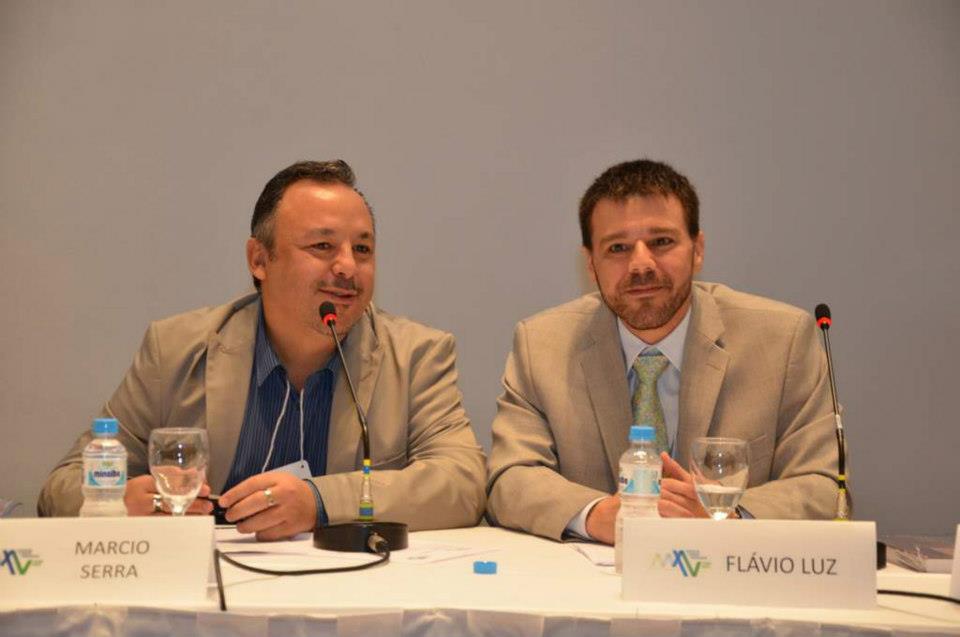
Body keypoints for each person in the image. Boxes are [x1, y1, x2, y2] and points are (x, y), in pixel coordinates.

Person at [39, 160, 486, 539]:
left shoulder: (416, 355)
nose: (348, 266)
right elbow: (61, 486)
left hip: (349, 590)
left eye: (363, 249)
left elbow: (463, 484)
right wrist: (118, 503)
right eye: (323, 246)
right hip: (212, 590)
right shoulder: (175, 350)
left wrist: (319, 502)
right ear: (259, 260)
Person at [485, 159, 839, 543]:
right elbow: (510, 478)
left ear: (697, 250)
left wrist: (723, 516)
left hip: (728, 572)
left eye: (661, 242)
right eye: (618, 248)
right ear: (590, 264)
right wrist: (597, 515)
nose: (641, 264)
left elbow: (822, 485)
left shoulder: (782, 340)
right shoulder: (541, 345)